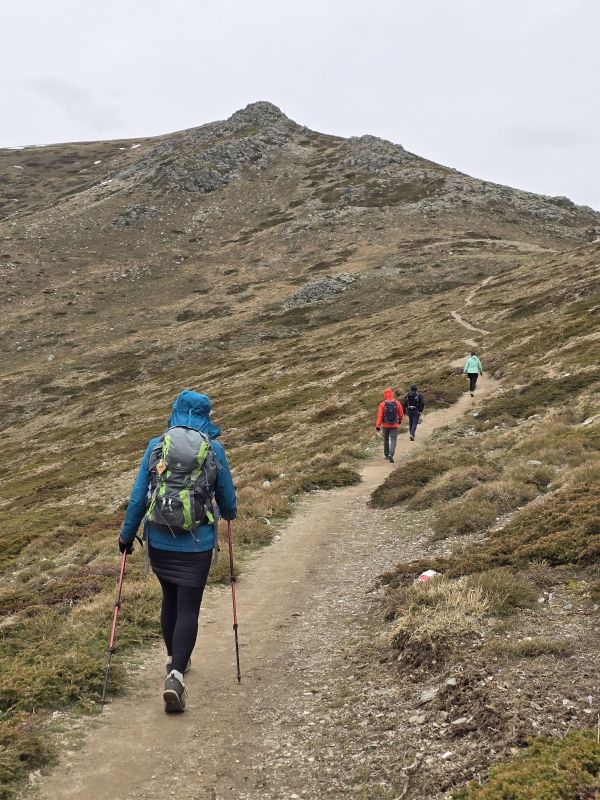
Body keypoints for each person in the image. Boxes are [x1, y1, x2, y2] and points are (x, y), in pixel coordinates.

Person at [119, 390, 237, 713]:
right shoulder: (214, 449)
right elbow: (227, 500)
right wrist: (229, 512)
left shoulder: (156, 446)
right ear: (206, 417)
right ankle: (176, 675)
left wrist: (126, 536)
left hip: (159, 543)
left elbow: (138, 497)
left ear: (175, 412)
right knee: (188, 608)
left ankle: (175, 659)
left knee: (169, 598)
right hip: (196, 546)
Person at [375, 388, 404, 464]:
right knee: (393, 439)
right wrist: (400, 419)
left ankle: (386, 455)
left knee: (386, 439)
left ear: (385, 395)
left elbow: (379, 416)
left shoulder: (382, 404)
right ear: (392, 394)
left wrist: (378, 425)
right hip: (394, 424)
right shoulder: (397, 403)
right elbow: (401, 413)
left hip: (385, 425)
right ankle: (391, 453)